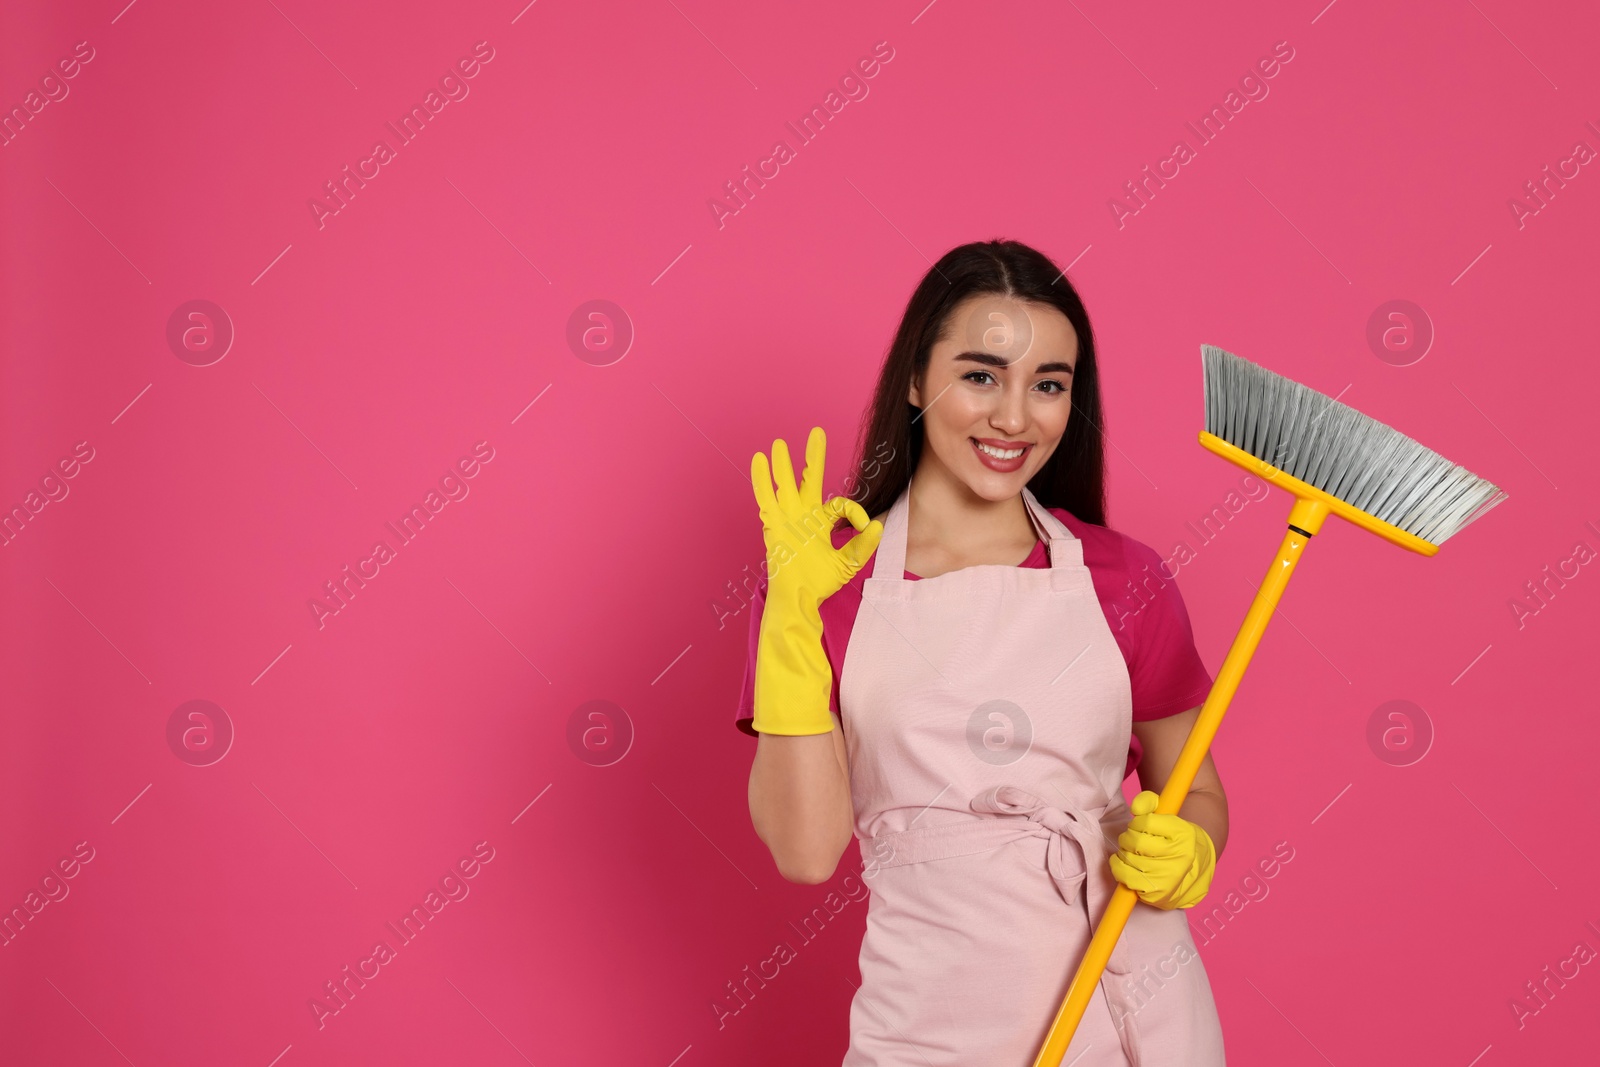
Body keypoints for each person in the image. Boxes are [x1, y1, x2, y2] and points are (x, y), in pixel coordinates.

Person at [736, 239, 1228, 1065]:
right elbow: (806, 849)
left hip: (1136, 1007)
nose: (1013, 417)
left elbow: (1196, 787)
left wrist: (1191, 847)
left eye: (1048, 385)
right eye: (979, 375)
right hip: (930, 1025)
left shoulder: (1126, 578)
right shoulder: (824, 581)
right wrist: (789, 621)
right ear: (916, 380)